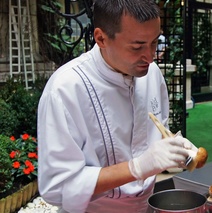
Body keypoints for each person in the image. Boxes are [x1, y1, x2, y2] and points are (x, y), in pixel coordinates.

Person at [37, 0, 198, 212]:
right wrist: (137, 167)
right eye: (137, 46)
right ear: (101, 38)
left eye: (154, 42)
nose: (150, 57)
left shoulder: (152, 73)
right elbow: (57, 187)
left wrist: (174, 147)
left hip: (145, 205)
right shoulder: (65, 89)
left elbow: (156, 130)